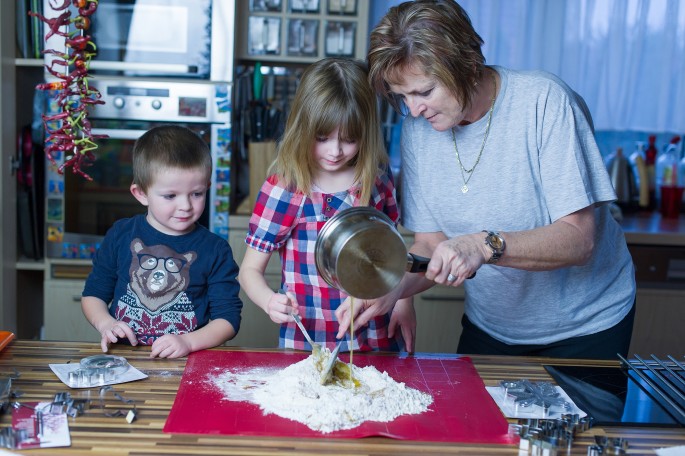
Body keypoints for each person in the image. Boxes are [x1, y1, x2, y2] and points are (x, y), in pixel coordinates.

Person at [335, 0, 636, 360]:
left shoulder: (544, 102)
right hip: (491, 325)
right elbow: (431, 244)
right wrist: (391, 288)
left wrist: (483, 245)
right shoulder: (419, 131)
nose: (414, 110)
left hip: (585, 327)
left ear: (467, 64)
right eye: (402, 97)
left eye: (424, 92)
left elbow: (579, 240)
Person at [239, 57, 416, 353]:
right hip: (308, 342)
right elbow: (249, 271)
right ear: (302, 128)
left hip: (373, 335)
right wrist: (270, 301)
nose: (335, 151)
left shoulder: (376, 183)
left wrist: (403, 302)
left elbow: (394, 257)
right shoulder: (285, 189)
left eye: (349, 139)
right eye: (322, 138)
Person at [81, 125, 242, 359]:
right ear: (141, 194)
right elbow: (93, 295)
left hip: (189, 362)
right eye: (170, 196)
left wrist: (188, 341)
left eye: (196, 194)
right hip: (125, 360)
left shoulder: (215, 249)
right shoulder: (121, 235)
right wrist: (105, 323)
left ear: (207, 187)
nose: (185, 206)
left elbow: (228, 319)